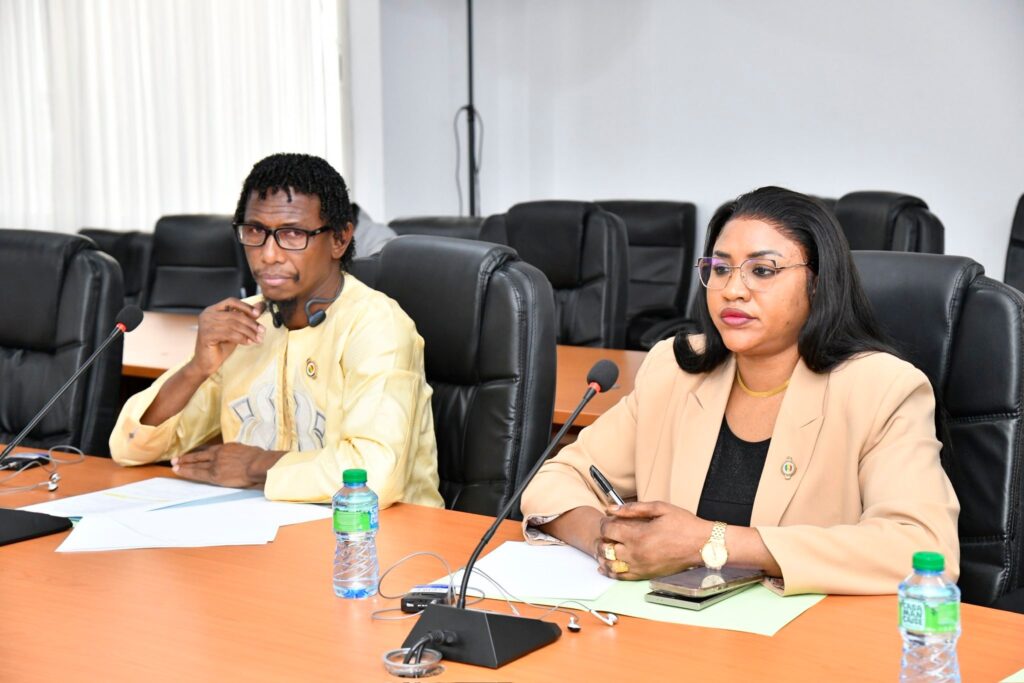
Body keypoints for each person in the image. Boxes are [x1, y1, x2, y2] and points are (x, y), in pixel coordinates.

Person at [520, 186, 959, 596]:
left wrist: (710, 543)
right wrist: (609, 540)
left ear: (819, 282)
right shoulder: (674, 370)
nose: (732, 290)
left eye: (762, 271)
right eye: (720, 268)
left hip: (805, 638)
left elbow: (921, 548)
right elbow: (555, 480)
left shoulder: (882, 389)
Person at [110, 153, 443, 508]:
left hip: (381, 534)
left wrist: (256, 466)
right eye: (255, 231)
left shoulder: (375, 325)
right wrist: (197, 368)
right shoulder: (245, 323)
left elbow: (375, 475)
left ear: (340, 239)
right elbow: (129, 447)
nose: (268, 254)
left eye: (292, 234)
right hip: (266, 528)